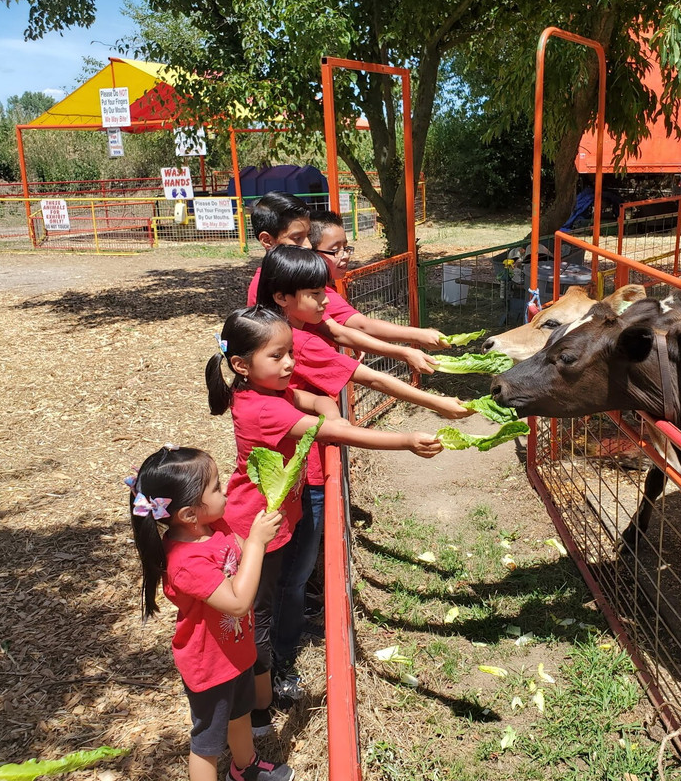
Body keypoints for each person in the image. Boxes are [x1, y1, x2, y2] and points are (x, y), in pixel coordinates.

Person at [204, 304, 446, 715]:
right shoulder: (265, 407)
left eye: (290, 353)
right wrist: (406, 439)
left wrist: (324, 403)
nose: (289, 364)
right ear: (241, 364)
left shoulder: (265, 390)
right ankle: (263, 700)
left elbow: (311, 399)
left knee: (277, 596)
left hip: (273, 515)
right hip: (258, 526)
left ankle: (271, 671)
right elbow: (333, 431)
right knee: (259, 612)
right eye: (277, 356)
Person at [128, 445, 292, 781]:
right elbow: (237, 602)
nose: (226, 490)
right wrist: (258, 545)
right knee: (207, 742)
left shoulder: (214, 528)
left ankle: (244, 768)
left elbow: (241, 555)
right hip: (210, 664)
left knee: (240, 714)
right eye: (216, 487)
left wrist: (259, 533)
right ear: (189, 514)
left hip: (236, 651)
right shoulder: (185, 563)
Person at [247, 191, 437, 374]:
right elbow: (346, 329)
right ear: (266, 240)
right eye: (297, 238)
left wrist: (356, 340)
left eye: (308, 236)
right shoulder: (285, 286)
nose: (307, 246)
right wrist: (411, 343)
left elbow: (339, 329)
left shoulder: (281, 280)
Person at [306, 210, 447, 351]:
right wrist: (417, 335)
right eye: (336, 250)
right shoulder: (320, 294)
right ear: (310, 252)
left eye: (346, 247)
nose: (345, 256)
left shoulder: (326, 285)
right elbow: (363, 325)